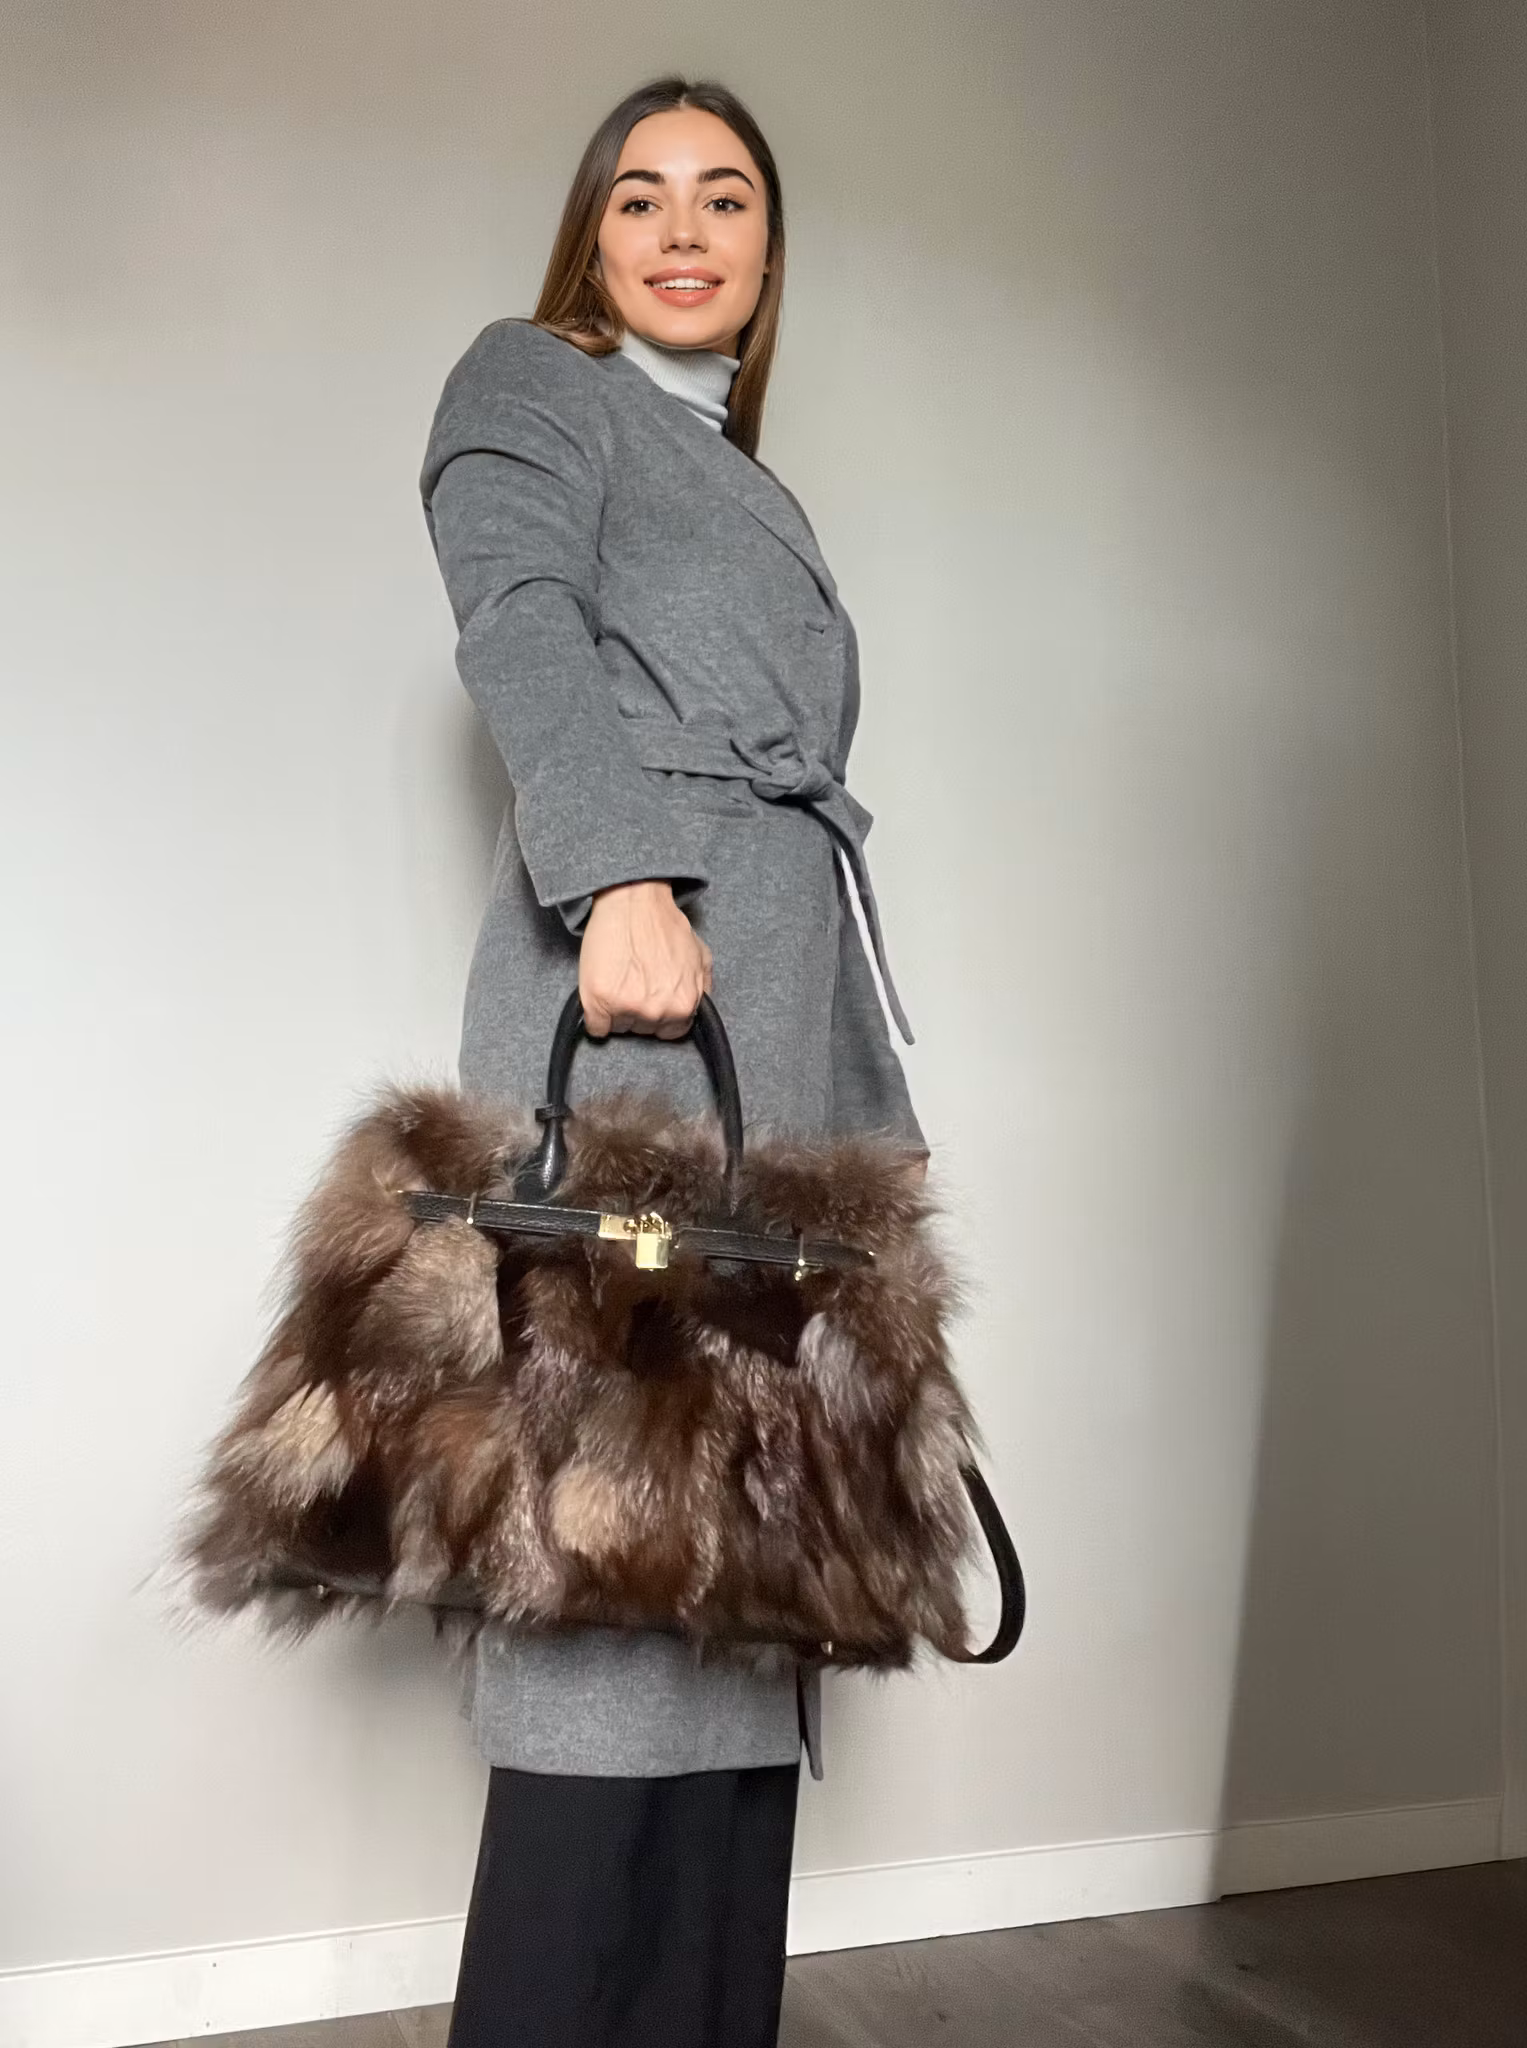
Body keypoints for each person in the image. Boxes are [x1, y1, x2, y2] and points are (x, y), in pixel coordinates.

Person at [420, 73, 929, 2048]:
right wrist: (615, 869)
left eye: (726, 196)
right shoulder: (535, 382)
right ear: (592, 238)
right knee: (614, 1571)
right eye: (641, 196)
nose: (684, 227)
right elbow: (516, 612)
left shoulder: (746, 478)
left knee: (746, 1581)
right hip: (648, 1016)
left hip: (785, 1047)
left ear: (769, 253)